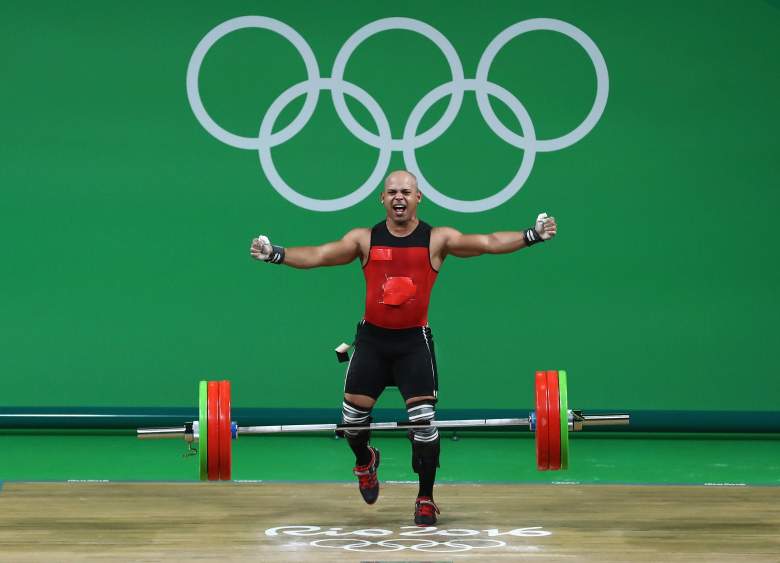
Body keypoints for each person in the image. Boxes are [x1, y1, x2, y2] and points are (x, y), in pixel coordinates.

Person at [250, 170, 557, 526]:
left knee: (424, 425)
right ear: (382, 199)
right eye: (392, 192)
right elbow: (319, 254)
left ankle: (425, 497)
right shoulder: (363, 240)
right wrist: (276, 254)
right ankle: (365, 461)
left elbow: (488, 242)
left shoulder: (437, 239)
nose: (399, 197)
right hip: (372, 342)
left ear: (418, 198)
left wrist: (532, 235)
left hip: (413, 342)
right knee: (352, 422)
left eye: (406, 192)